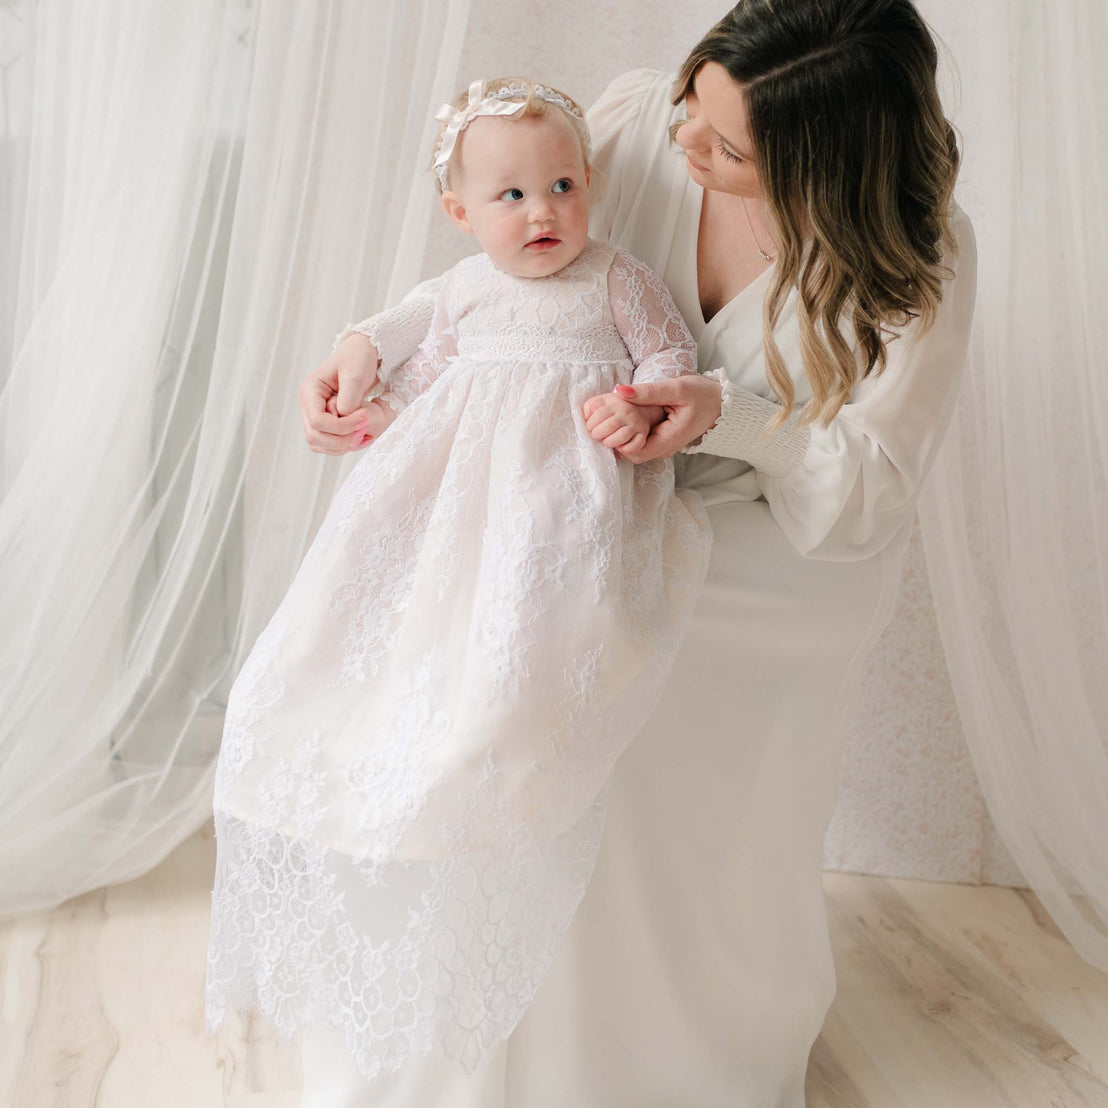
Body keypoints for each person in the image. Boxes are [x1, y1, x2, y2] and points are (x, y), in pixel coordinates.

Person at [294, 1, 978, 1104]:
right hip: (570, 510)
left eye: (728, 152)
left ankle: (643, 1054)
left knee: (626, 691)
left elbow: (868, 488)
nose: (685, 152)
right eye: (690, 115)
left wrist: (724, 413)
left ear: (829, 167)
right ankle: (480, 1019)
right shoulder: (636, 118)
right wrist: (364, 356)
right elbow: (497, 282)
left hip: (769, 550)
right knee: (484, 651)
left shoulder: (917, 254)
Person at [204, 73, 718, 1094]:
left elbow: (671, 354)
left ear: (591, 187)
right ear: (461, 212)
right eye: (512, 196)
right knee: (377, 627)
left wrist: (648, 403)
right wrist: (384, 414)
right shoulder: (464, 290)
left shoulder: (616, 278)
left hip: (559, 502)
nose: (543, 214)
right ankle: (378, 784)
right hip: (459, 504)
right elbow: (428, 375)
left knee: (525, 648)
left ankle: (495, 775)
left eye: (563, 185)